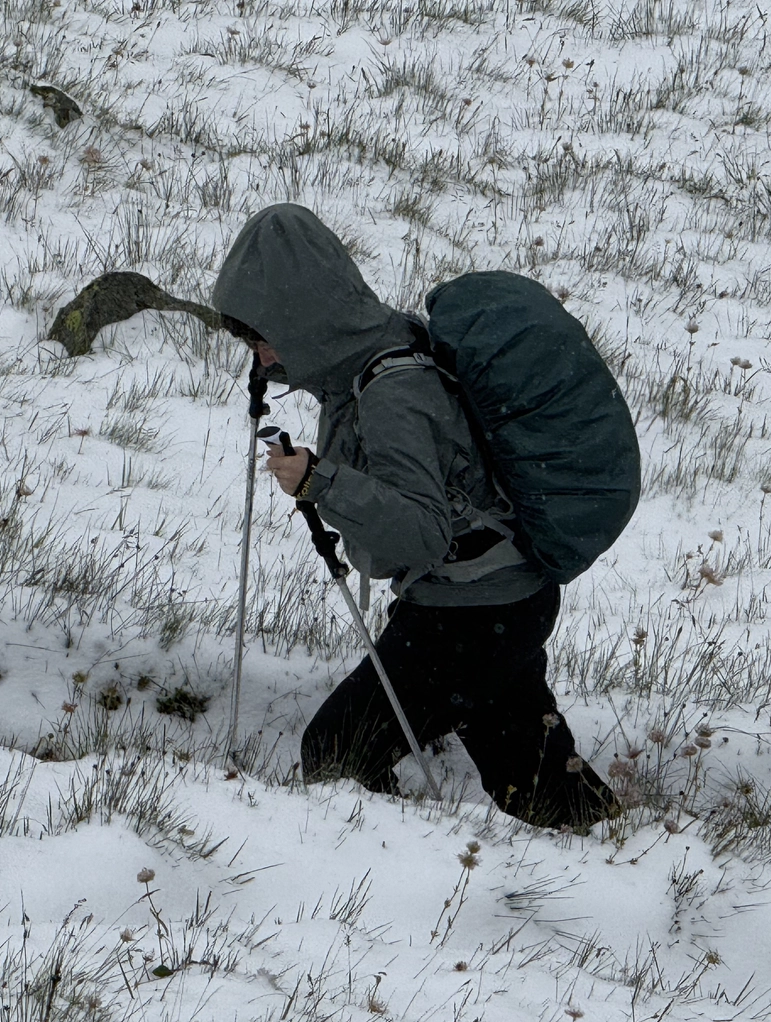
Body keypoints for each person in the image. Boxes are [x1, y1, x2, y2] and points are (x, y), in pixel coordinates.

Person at [212, 203, 614, 830]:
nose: (261, 360)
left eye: (263, 339)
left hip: (473, 614)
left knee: (337, 753)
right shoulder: (373, 355)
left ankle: (401, 889)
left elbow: (422, 530)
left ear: (305, 320)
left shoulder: (392, 391)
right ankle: (617, 850)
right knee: (532, 779)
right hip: (499, 600)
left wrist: (323, 481)